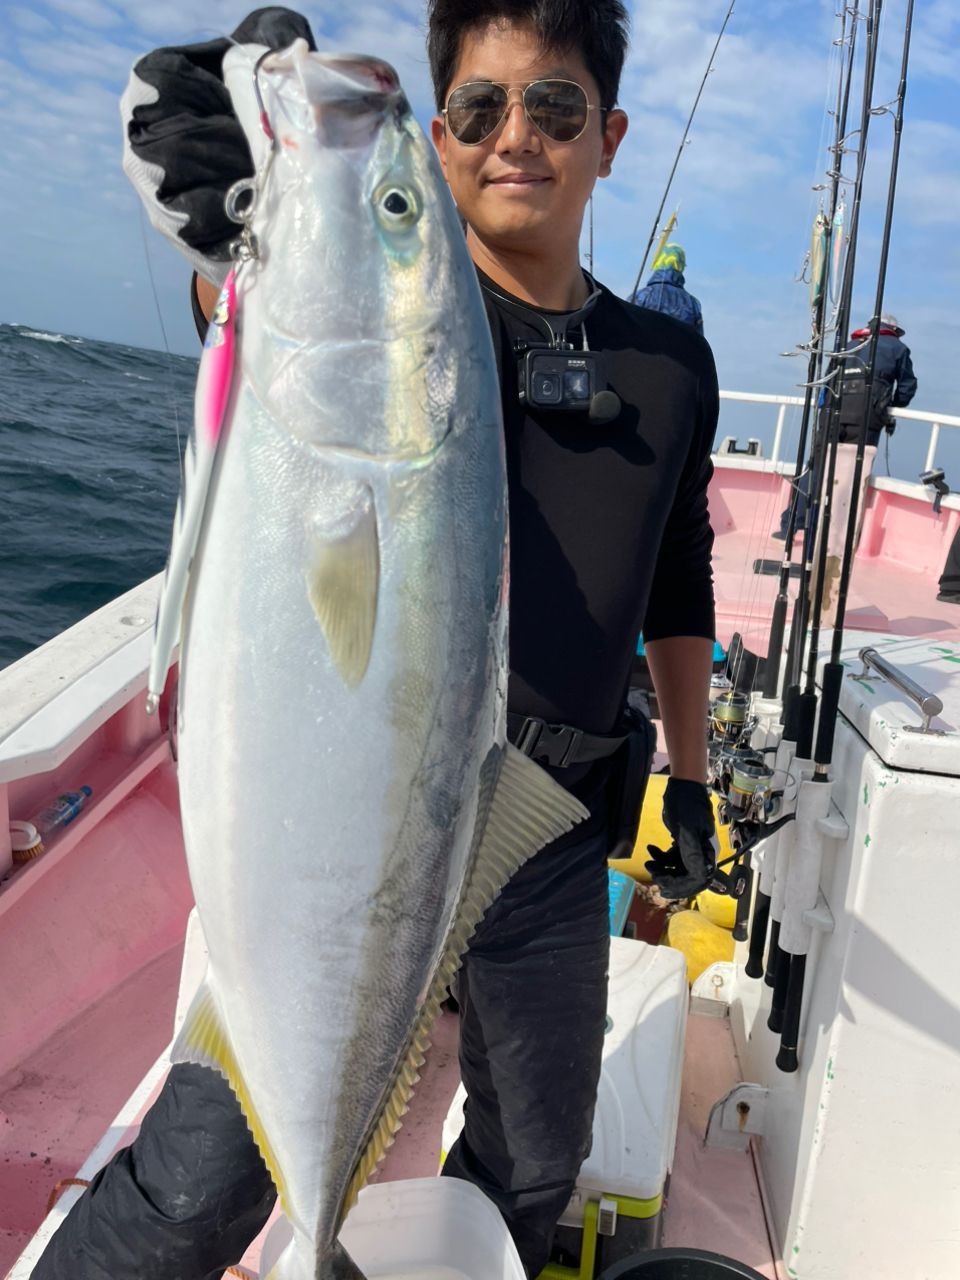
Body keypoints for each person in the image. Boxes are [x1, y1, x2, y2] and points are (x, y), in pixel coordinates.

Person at [33, 5, 718, 1278]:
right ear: (446, 141)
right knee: (196, 1187)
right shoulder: (411, 321)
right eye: (478, 111)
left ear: (610, 135)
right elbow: (281, 330)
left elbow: (680, 575)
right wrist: (243, 218)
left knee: (534, 1160)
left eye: (556, 108)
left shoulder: (671, 363)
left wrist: (689, 777)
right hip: (356, 820)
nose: (518, 138)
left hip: (550, 822)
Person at [774, 312, 918, 540]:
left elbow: (827, 384)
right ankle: (835, 535)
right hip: (866, 421)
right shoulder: (898, 349)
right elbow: (907, 389)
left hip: (830, 415)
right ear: (893, 331)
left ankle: (792, 524)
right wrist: (891, 405)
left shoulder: (848, 345)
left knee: (817, 467)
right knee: (852, 474)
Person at [631, 242, 704, 334]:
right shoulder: (692, 304)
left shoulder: (639, 296)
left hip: (642, 347)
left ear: (657, 262)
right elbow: (699, 343)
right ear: (681, 265)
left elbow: (623, 329)